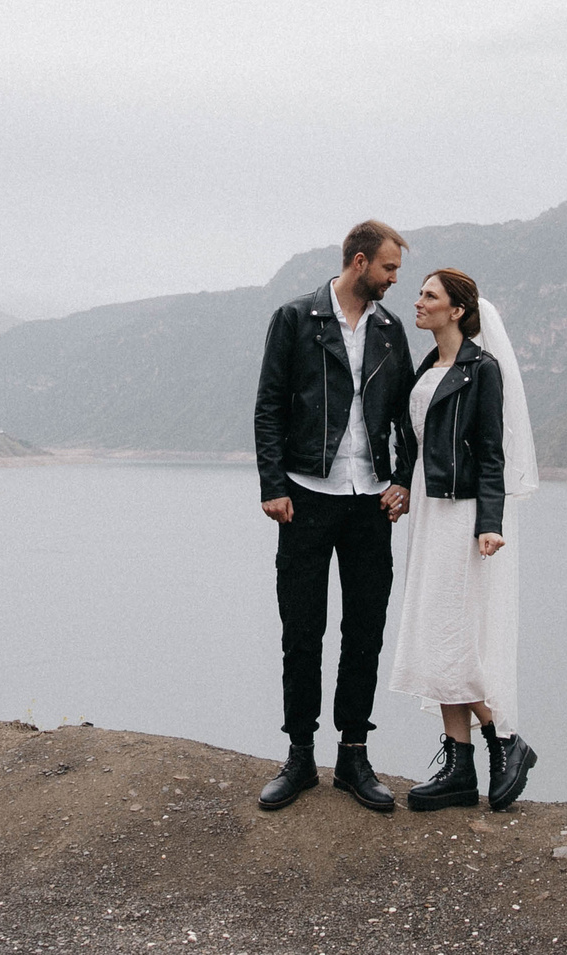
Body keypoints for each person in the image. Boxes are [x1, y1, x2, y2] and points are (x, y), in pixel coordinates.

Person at [252, 220, 419, 814]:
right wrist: (273, 483)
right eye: (389, 269)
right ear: (358, 262)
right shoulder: (296, 318)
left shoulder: (392, 330)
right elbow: (269, 404)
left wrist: (402, 479)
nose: (396, 280)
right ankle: (299, 757)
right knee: (302, 629)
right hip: (305, 494)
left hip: (370, 499)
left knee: (365, 628)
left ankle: (352, 757)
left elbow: (406, 417)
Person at [388, 267, 540, 812]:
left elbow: (492, 452)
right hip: (430, 508)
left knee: (451, 629)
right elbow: (416, 440)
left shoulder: (483, 370)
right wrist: (401, 485)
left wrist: (491, 522)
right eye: (420, 294)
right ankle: (458, 766)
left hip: (462, 513)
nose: (418, 301)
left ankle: (503, 739)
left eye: (429, 295)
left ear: (456, 310)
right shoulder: (429, 366)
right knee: (434, 630)